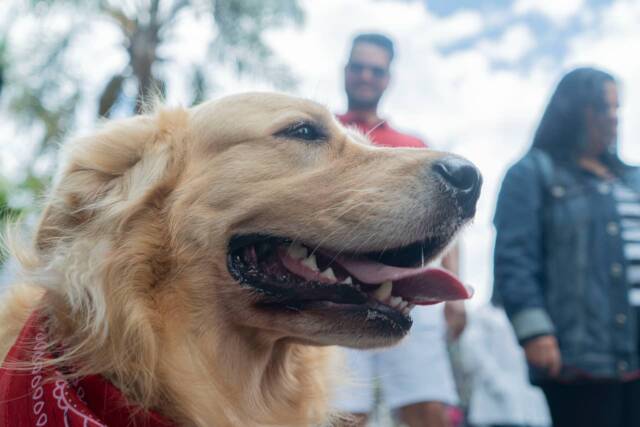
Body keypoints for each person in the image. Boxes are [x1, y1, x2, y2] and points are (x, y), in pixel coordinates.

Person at [494, 67, 640, 427]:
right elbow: (514, 259)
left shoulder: (633, 178)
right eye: (603, 109)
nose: (614, 119)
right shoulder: (531, 174)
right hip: (580, 355)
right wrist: (535, 330)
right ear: (575, 110)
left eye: (617, 109)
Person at [334, 32, 461, 427]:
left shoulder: (413, 145)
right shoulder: (324, 137)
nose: (366, 76)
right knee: (342, 410)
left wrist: (454, 294)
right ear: (345, 71)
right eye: (358, 67)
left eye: (376, 70)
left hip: (410, 288)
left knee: (427, 407)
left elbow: (449, 224)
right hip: (336, 286)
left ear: (388, 78)